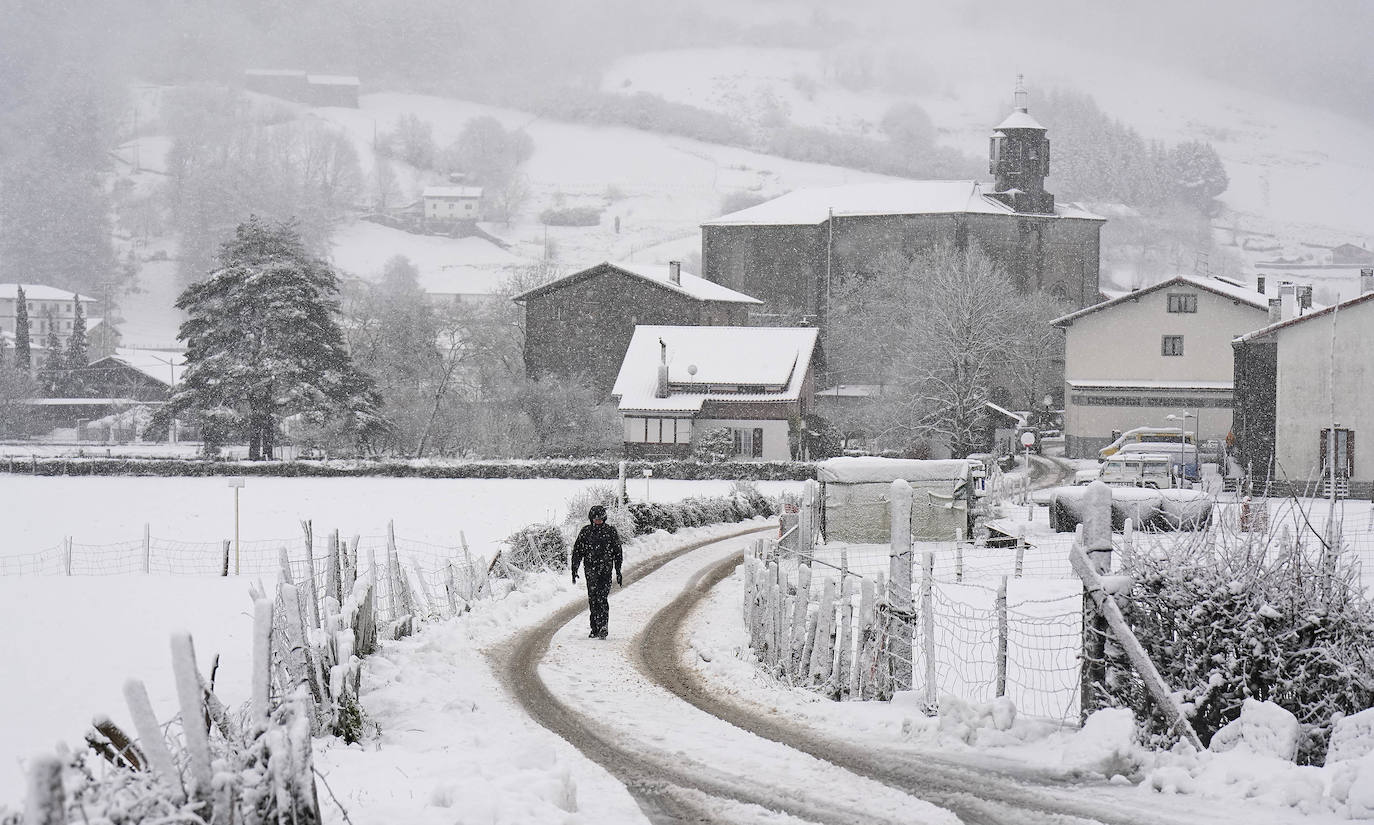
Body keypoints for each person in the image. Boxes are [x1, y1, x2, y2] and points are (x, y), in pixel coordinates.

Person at [571, 504, 623, 639]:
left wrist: (618, 570)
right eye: (595, 519)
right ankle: (594, 628)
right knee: (593, 599)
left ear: (604, 518)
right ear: (591, 519)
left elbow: (618, 552)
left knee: (602, 598)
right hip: (590, 570)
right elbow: (577, 551)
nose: (598, 521)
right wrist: (574, 568)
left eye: (600, 518)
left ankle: (603, 626)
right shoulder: (586, 532)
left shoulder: (610, 531)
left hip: (605, 570)